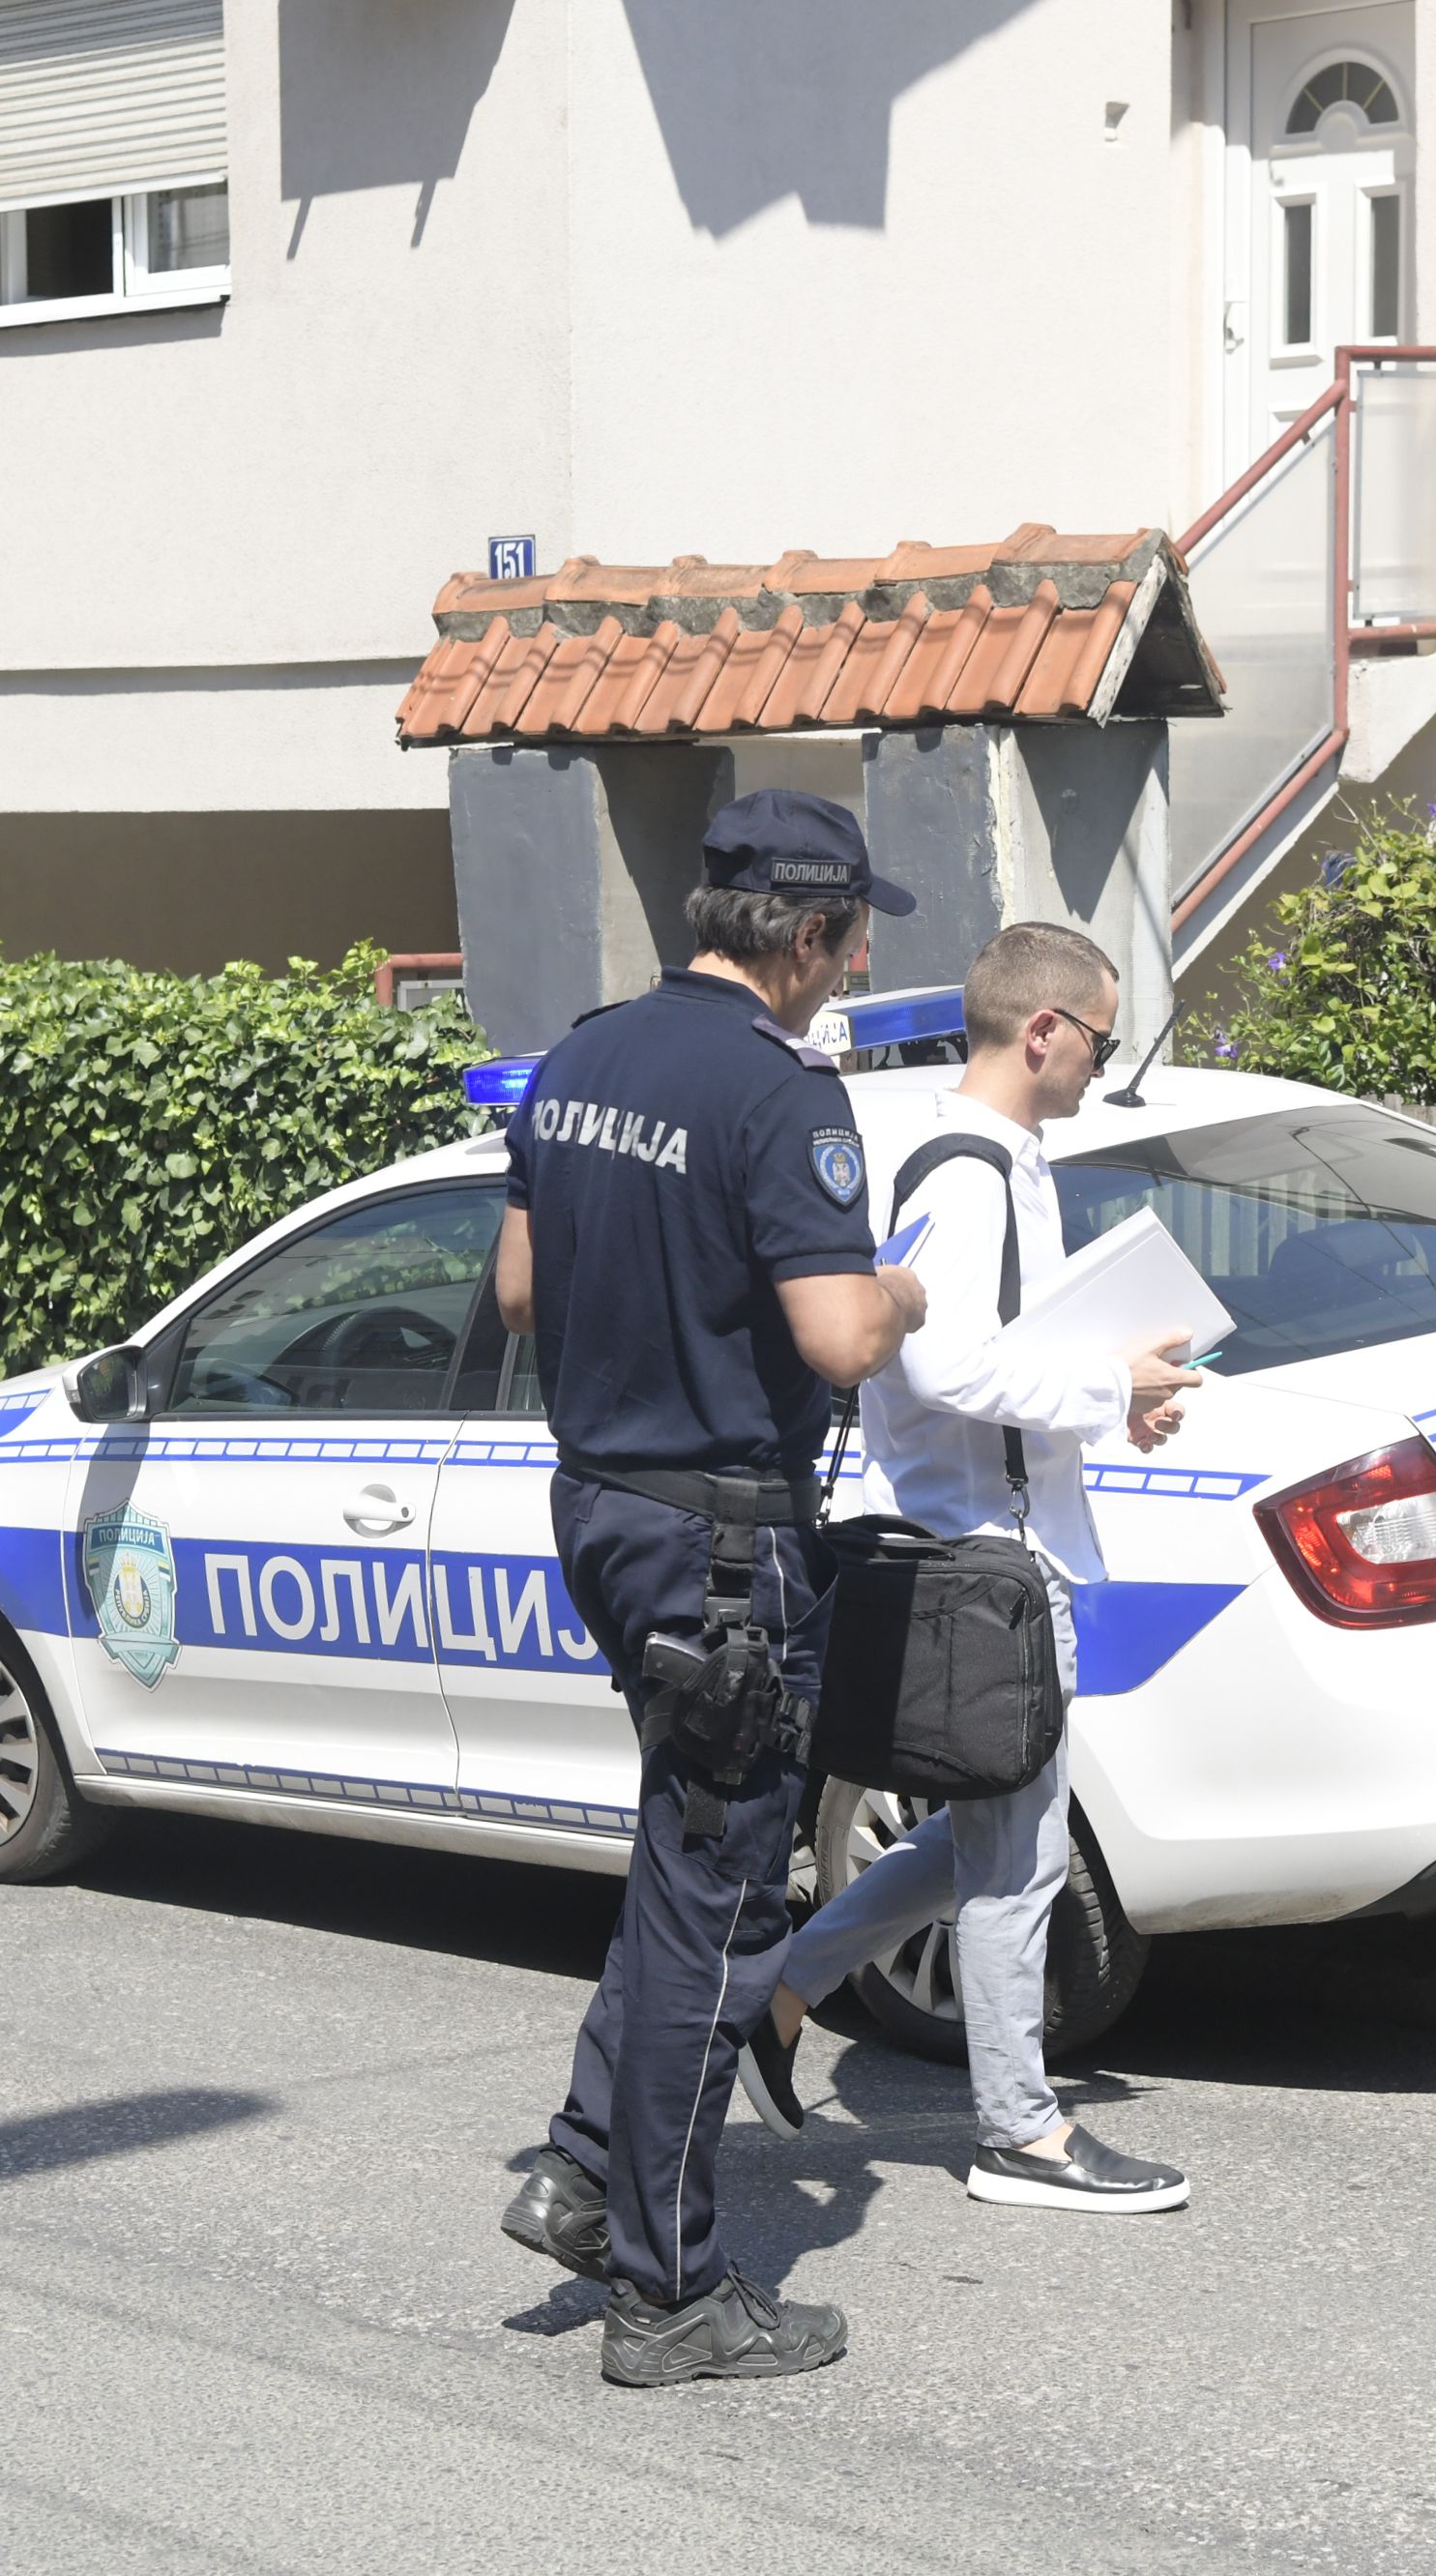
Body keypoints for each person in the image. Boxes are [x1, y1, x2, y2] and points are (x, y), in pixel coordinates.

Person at [491, 789, 927, 2387]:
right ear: (805, 941)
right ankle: (669, 2293)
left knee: (682, 1863)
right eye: (855, 933)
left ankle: (580, 2170)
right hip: (728, 1552)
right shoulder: (779, 1099)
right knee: (726, 1908)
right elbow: (835, 1340)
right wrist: (904, 1292)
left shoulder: (583, 1055)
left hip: (604, 1516)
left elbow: (522, 1290)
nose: (861, 956)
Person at [744, 922, 1198, 2212]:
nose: (1099, 1070)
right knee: (1017, 1860)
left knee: (999, 1836)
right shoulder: (971, 1169)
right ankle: (1021, 2137)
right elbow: (935, 1364)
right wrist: (1107, 1381)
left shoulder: (999, 1160)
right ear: (1042, 1031)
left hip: (998, 1547)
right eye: (1097, 1042)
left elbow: (995, 1365)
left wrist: (1115, 1403)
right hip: (984, 1566)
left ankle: (778, 1995)